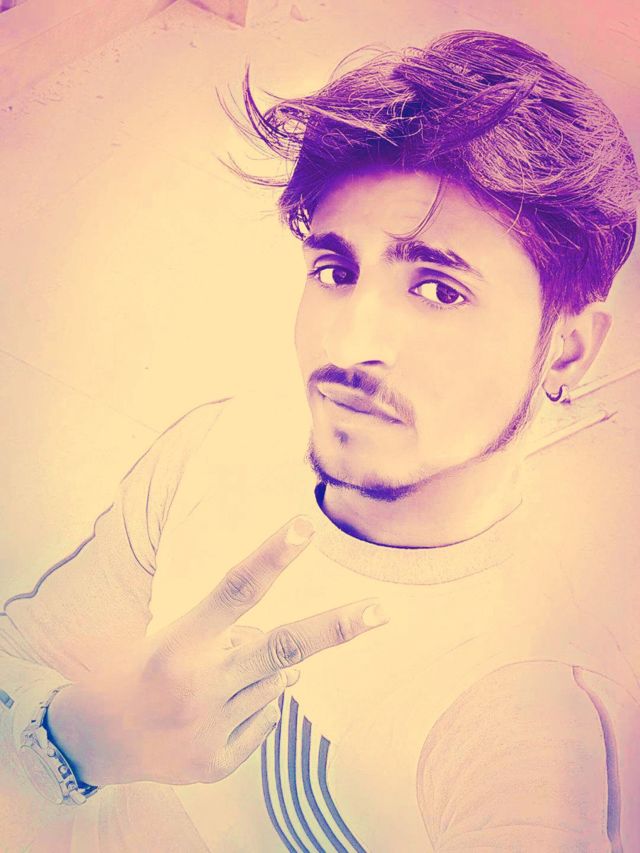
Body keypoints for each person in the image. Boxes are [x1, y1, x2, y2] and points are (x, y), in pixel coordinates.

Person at [1, 28, 639, 852]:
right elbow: (23, 658)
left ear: (568, 351)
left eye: (439, 290)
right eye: (336, 272)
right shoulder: (215, 449)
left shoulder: (530, 710)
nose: (350, 342)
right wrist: (88, 736)